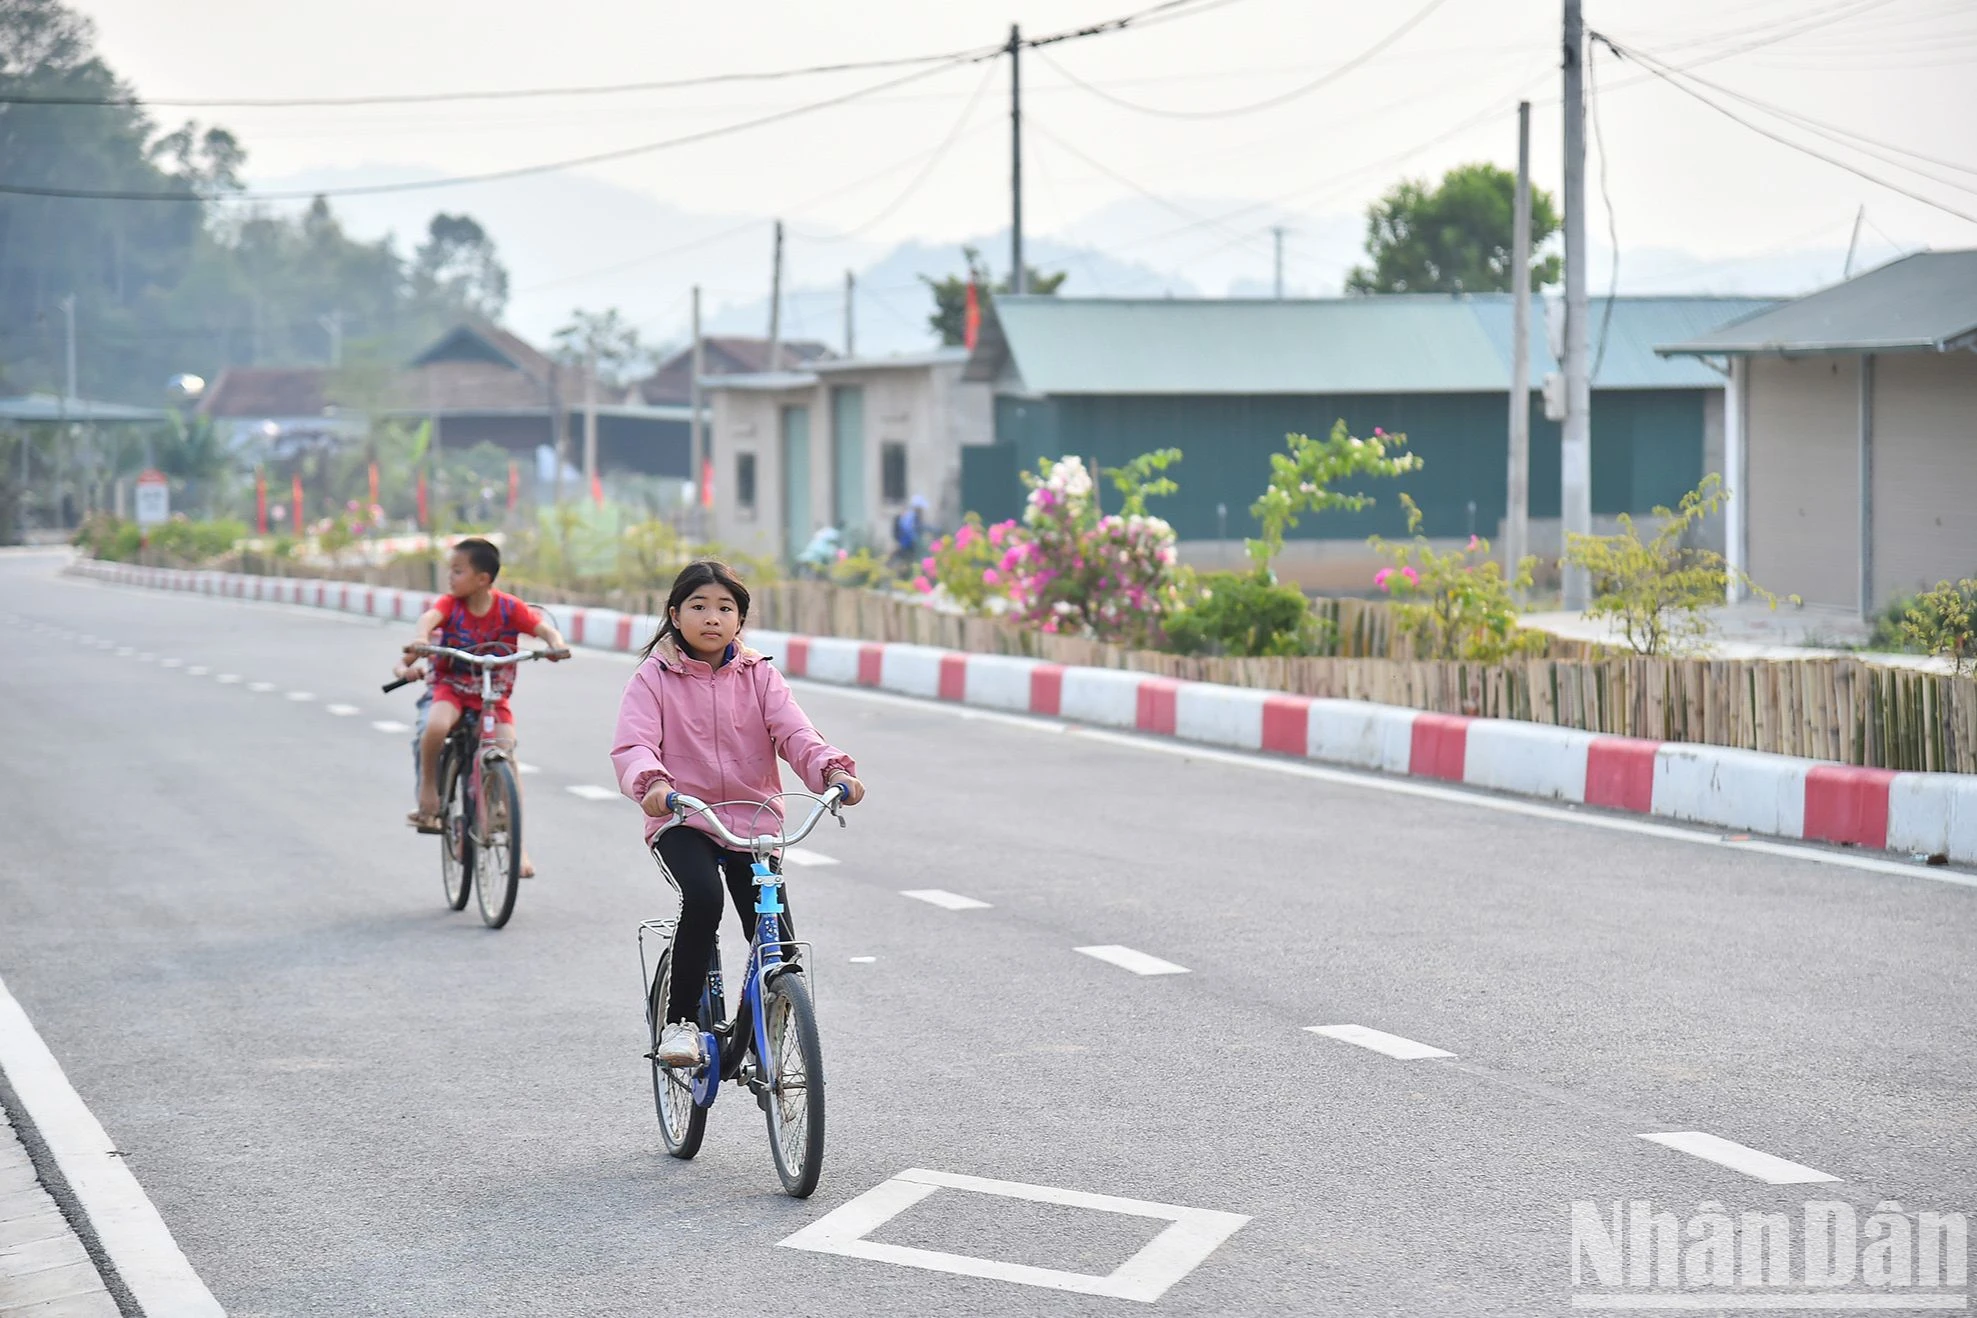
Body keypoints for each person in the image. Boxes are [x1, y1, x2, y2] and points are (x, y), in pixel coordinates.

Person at [610, 559, 866, 1068]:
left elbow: (795, 735)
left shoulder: (760, 675)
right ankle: (680, 1023)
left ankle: (774, 1014)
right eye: (699, 607)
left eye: (725, 608)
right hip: (685, 818)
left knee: (775, 933)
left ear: (740, 621)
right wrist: (653, 784)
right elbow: (634, 744)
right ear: (674, 614)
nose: (712, 617)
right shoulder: (654, 677)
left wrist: (833, 772)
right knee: (704, 900)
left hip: (752, 824)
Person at [403, 538, 570, 878]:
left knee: (506, 754)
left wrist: (556, 645)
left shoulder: (509, 608)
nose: (450, 577)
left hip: (492, 697)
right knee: (435, 727)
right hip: (453, 688)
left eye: (458, 570)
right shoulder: (451, 605)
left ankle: (517, 845)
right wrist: (422, 639)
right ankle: (429, 791)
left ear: (482, 578)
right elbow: (428, 619)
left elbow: (542, 628)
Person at [890, 494, 927, 567]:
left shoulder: (912, 516)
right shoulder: (910, 516)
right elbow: (907, 530)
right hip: (907, 542)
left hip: (908, 542)